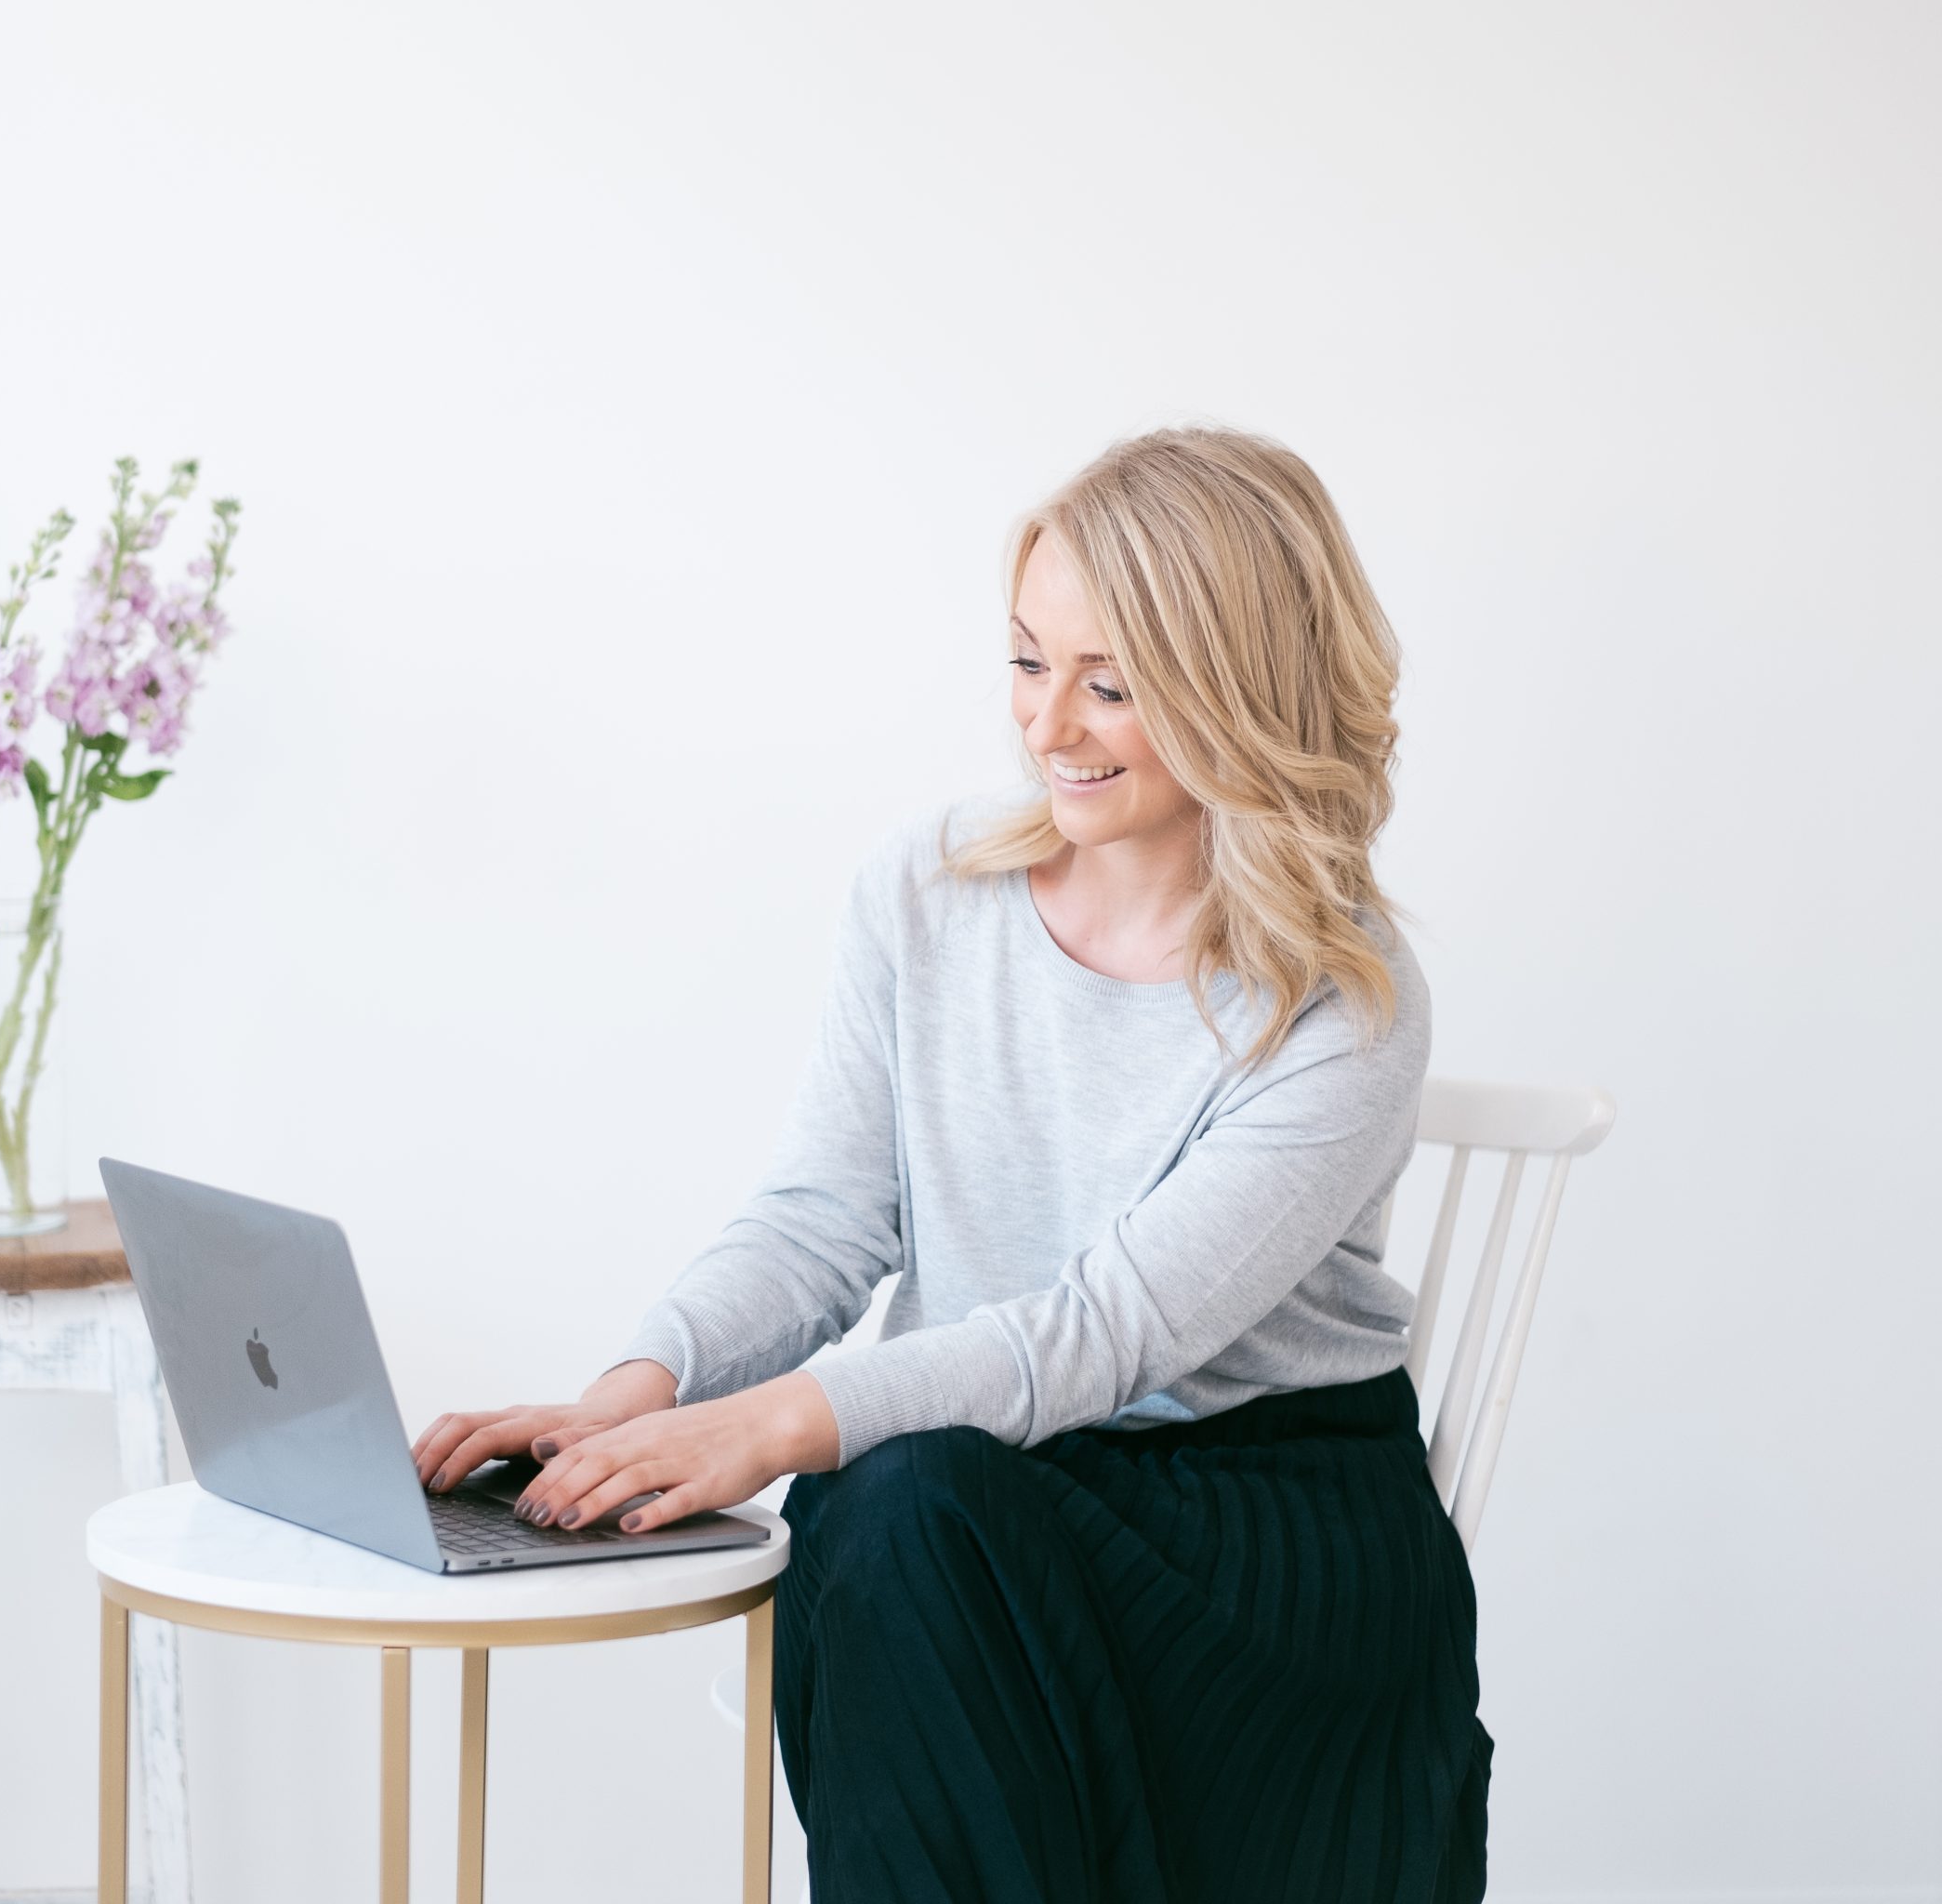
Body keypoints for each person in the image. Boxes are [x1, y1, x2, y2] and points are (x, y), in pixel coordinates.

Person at [411, 426, 1490, 1903]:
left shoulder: (1343, 1001)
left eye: (1113, 682)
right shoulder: (927, 893)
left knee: (879, 1499)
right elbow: (823, 1221)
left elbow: (1104, 1333)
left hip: (1259, 1537)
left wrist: (773, 1427)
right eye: (1027, 661)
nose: (1053, 725)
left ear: (1240, 685)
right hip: (984, 1498)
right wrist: (639, 1393)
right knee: (889, 1503)